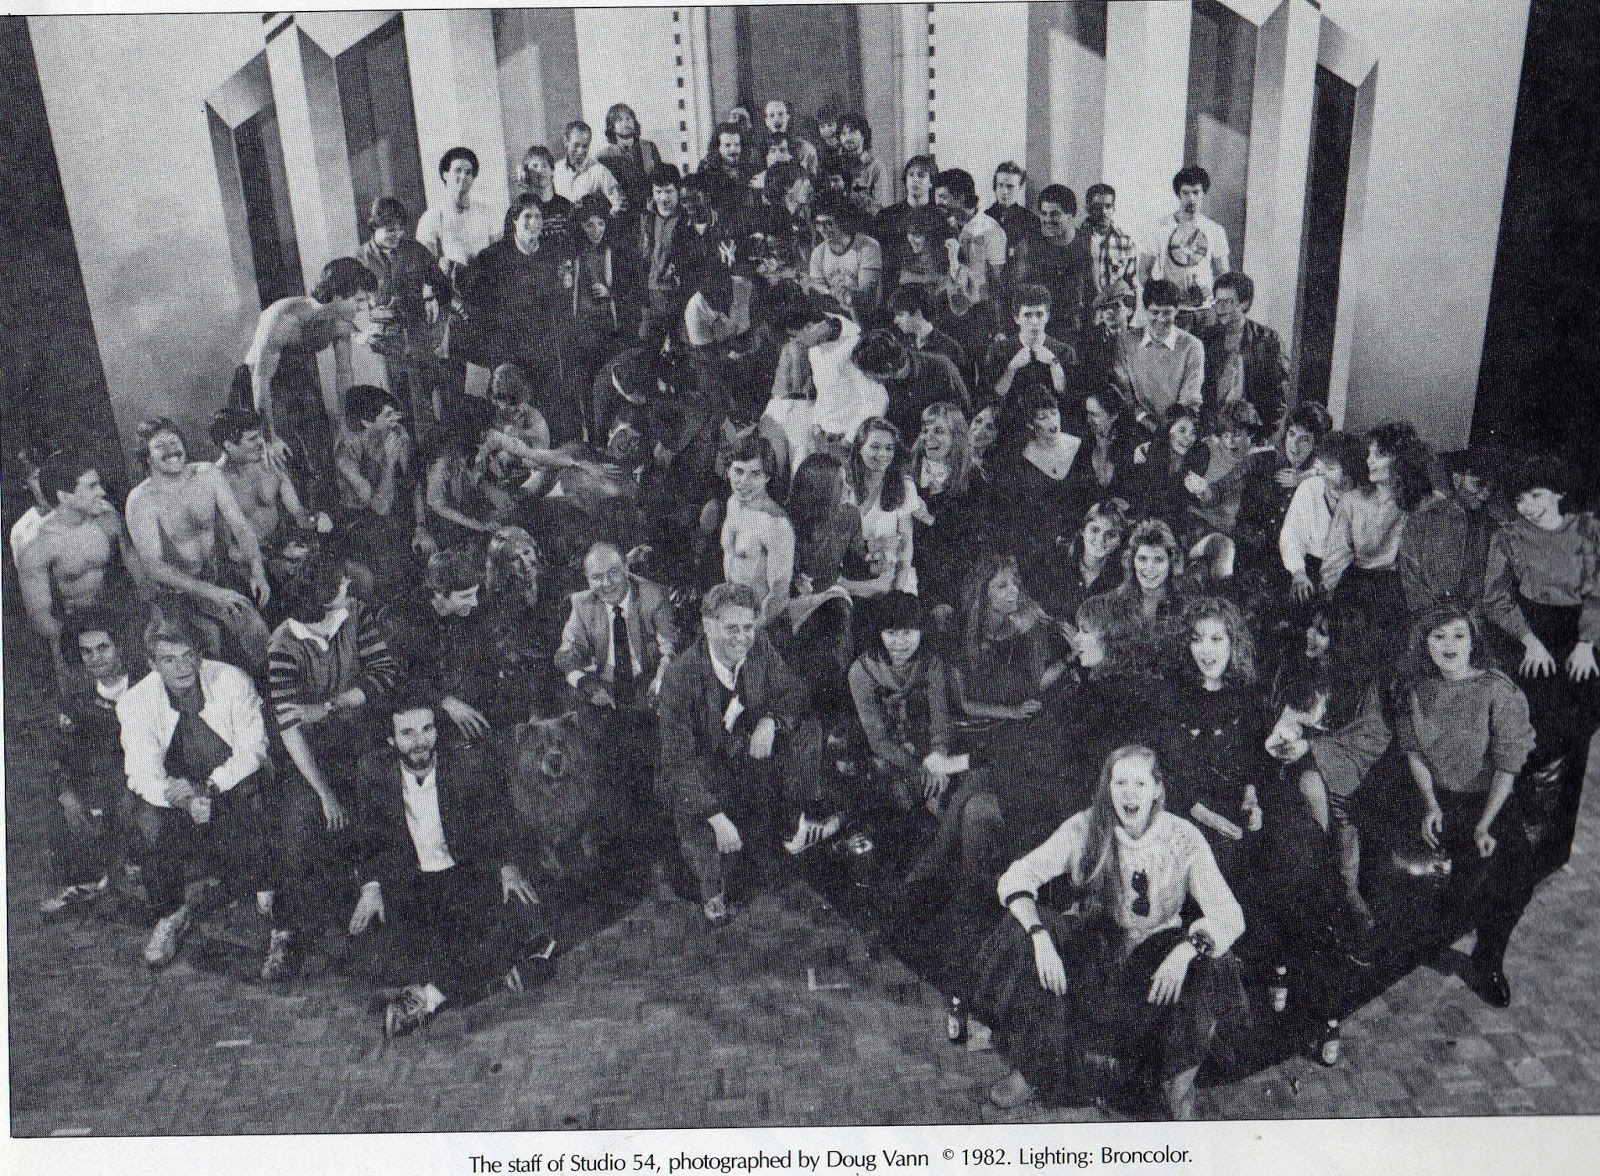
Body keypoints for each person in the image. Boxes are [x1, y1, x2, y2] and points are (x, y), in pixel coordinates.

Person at [972, 744, 1245, 1117]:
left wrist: (1184, 952)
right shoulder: (1086, 827)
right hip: (1096, 948)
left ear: (1157, 789)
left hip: (1154, 956)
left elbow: (1229, 914)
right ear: (1108, 787)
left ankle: (1179, 1087)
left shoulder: (1183, 837)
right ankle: (1032, 1069)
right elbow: (1018, 877)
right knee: (1019, 928)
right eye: (1120, 783)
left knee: (1215, 961)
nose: (1129, 795)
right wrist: (1040, 937)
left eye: (1139, 784)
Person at [349, 686, 551, 1037]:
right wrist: (371, 887)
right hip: (413, 884)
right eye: (407, 733)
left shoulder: (465, 765)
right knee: (365, 948)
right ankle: (491, 970)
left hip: (465, 878)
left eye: (427, 729)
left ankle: (429, 997)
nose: (420, 742)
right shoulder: (373, 771)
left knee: (520, 911)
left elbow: (498, 819)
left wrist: (507, 868)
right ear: (391, 740)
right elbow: (368, 835)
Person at [656, 582, 837, 925]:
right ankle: (712, 887)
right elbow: (678, 765)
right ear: (708, 626)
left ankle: (793, 823)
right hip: (700, 773)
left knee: (807, 729)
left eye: (748, 627)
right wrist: (717, 819)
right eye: (731, 628)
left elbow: (793, 693)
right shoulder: (680, 677)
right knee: (716, 880)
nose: (741, 638)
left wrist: (771, 721)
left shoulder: (759, 646)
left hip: (745, 758)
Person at [117, 606, 279, 972]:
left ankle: (269, 899)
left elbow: (254, 749)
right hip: (184, 803)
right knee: (138, 810)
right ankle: (170, 916)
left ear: (200, 654)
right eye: (168, 659)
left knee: (257, 789)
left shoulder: (232, 680)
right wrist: (181, 797)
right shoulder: (135, 701)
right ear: (152, 663)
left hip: (231, 790)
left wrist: (210, 787)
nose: (181, 667)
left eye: (188, 655)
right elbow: (141, 771)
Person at [1396, 601, 1538, 1006]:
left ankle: (1487, 960)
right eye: (1438, 636)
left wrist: (1484, 824)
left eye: (1459, 635)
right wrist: (1430, 804)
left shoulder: (1499, 690)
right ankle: (1431, 937)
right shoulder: (1414, 689)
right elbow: (1413, 752)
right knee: (1453, 890)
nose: (1449, 645)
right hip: (1439, 799)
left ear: (1473, 640)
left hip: (1491, 801)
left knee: (1515, 881)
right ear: (1424, 643)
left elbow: (1507, 767)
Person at [266, 552, 399, 981]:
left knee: (375, 800)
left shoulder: (357, 615)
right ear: (319, 599)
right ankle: (287, 930)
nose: (348, 588)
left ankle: (376, 909)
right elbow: (290, 728)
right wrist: (324, 793)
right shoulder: (282, 645)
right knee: (299, 821)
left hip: (360, 738)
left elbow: (384, 674)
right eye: (340, 585)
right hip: (308, 757)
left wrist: (329, 706)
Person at [1481, 454, 1600, 856]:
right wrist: (1528, 639)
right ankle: (1522, 826)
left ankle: (1561, 832)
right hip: (1531, 638)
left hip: (1582, 640)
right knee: (1531, 730)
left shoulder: (1587, 530)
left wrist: (1586, 643)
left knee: (1576, 733)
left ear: (1558, 493)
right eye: (1519, 499)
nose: (1527, 506)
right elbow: (1494, 598)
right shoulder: (1508, 536)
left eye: (1535, 495)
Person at [1268, 602, 1389, 940]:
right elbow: (1282, 721)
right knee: (1309, 784)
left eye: (1322, 633)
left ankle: (1342, 887)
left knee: (1323, 792)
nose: (1311, 635)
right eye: (1311, 627)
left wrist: (1312, 746)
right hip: (1293, 764)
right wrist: (1287, 739)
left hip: (1337, 767)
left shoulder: (1362, 684)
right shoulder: (1296, 670)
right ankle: (1334, 884)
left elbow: (1372, 736)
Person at [124, 420, 271, 671]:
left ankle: (268, 683)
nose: (171, 450)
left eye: (174, 442)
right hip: (176, 593)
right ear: (146, 457)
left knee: (255, 630)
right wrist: (212, 593)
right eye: (160, 446)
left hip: (216, 576)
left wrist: (257, 570)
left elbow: (240, 526)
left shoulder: (207, 474)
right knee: (208, 645)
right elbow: (154, 567)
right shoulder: (141, 500)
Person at [40, 607, 144, 916]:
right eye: (86, 651)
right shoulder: (78, 699)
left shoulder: (146, 685)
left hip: (145, 778)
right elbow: (62, 754)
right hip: (104, 782)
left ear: (119, 646)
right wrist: (66, 795)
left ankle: (130, 875)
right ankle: (90, 882)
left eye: (103, 647)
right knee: (67, 810)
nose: (95, 657)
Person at [241, 257, 380, 486]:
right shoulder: (284, 318)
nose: (362, 308)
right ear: (336, 296)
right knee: (285, 456)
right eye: (358, 300)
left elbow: (344, 374)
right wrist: (269, 436)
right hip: (256, 383)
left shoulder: (341, 322)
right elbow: (260, 379)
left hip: (295, 378)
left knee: (322, 451)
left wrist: (345, 425)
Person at [556, 541, 683, 792]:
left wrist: (661, 678)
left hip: (647, 685)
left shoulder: (652, 595)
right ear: (587, 578)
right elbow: (565, 656)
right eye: (596, 577)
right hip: (605, 691)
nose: (606, 584)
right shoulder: (582, 604)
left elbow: (670, 649)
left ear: (626, 567)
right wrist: (587, 684)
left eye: (613, 573)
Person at [15, 450, 143, 673]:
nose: (102, 492)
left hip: (118, 621)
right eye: (92, 486)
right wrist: (81, 647)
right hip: (71, 635)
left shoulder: (107, 519)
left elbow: (135, 564)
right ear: (64, 496)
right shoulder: (38, 548)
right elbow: (39, 616)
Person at [1321, 421, 1435, 640]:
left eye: (1379, 454)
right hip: (1356, 594)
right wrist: (1329, 603)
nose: (1369, 460)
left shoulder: (1422, 504)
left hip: (1402, 596)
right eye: (1369, 453)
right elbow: (1334, 561)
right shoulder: (1352, 501)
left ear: (1400, 459)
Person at [990, 385, 1089, 612]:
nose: (1053, 421)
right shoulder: (1019, 458)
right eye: (1043, 417)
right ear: (1030, 424)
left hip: (1078, 545)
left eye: (1054, 413)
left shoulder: (1078, 446)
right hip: (1037, 552)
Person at [210, 406, 331, 590]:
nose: (261, 442)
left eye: (260, 435)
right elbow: (230, 551)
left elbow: (300, 515)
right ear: (228, 445)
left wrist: (317, 518)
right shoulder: (215, 482)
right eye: (252, 438)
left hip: (282, 546)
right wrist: (277, 556)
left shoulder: (270, 465)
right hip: (248, 564)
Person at [332, 385, 434, 593]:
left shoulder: (397, 432)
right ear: (367, 422)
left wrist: (421, 526)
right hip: (361, 522)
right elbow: (379, 508)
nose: (396, 419)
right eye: (388, 415)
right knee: (394, 570)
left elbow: (412, 482)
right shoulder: (346, 451)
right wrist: (389, 464)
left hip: (394, 510)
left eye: (395, 412)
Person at [356, 196, 445, 430]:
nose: (397, 235)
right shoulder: (361, 259)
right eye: (390, 230)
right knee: (395, 406)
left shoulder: (415, 251)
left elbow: (443, 288)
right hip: (385, 345)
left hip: (418, 338)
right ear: (375, 227)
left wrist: (437, 328)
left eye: (400, 229)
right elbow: (351, 306)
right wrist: (362, 334)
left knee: (426, 404)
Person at [955, 554, 1067, 727]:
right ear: (983, 593)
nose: (1014, 590)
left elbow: (1038, 684)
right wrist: (1012, 712)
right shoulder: (961, 632)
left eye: (1015, 583)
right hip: (978, 727)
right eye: (1002, 586)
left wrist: (1071, 656)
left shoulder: (1027, 625)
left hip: (1024, 724)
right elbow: (965, 704)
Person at [1397, 445, 1504, 616]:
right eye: (1478, 484)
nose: (1485, 495)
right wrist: (1434, 616)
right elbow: (1410, 577)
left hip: (1473, 618)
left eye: (1491, 488)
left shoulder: (1493, 529)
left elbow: (1494, 589)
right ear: (1456, 479)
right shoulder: (1422, 520)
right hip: (1428, 616)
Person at [908, 402, 988, 609]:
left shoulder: (974, 480)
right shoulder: (907, 472)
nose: (928, 438)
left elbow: (969, 545)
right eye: (925, 431)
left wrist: (930, 520)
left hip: (950, 581)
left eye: (938, 431)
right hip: (908, 573)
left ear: (956, 437)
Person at [1198, 272, 1292, 434]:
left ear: (1244, 303)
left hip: (1250, 431)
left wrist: (1263, 434)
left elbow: (1278, 397)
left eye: (1227, 302)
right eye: (1217, 301)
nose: (1220, 308)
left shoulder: (1268, 340)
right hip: (1211, 430)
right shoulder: (1205, 338)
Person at [1280, 430, 1366, 604]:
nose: (1322, 473)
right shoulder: (1310, 487)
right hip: (1310, 569)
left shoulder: (1361, 498)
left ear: (1349, 472)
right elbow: (1291, 534)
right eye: (1322, 466)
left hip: (1350, 574)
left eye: (1331, 468)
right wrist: (1299, 573)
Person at [720, 431, 795, 627]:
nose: (744, 481)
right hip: (733, 610)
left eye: (755, 474)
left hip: (761, 623)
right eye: (738, 471)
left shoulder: (776, 523)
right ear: (728, 470)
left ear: (767, 477)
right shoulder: (733, 503)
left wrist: (750, 630)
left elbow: (779, 594)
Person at [1143, 165, 1230, 329]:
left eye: (1196, 192)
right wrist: (1162, 298)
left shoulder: (1215, 230)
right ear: (1178, 194)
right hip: (1173, 312)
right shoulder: (1160, 228)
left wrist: (1211, 291)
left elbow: (1223, 274)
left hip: (1206, 311)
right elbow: (1143, 272)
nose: (1191, 199)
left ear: (1203, 193)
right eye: (1186, 193)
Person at [851, 328, 970, 443]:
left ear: (888, 367)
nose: (869, 378)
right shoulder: (885, 384)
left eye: (870, 373)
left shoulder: (941, 369)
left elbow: (962, 419)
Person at [849, 418, 921, 595]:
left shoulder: (904, 486)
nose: (883, 454)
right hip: (849, 579)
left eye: (889, 448)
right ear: (859, 448)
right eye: (875, 447)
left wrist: (896, 592)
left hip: (890, 581)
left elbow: (905, 549)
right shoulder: (844, 484)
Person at [1123, 279, 1204, 434]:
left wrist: (1169, 430)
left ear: (1177, 310)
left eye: (1167, 312)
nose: (1161, 319)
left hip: (1178, 427)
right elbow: (1125, 392)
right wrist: (1147, 422)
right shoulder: (1127, 342)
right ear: (1145, 310)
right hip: (1138, 426)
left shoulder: (1192, 345)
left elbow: (1190, 396)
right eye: (1155, 312)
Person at [416, 146, 501, 287]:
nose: (463, 177)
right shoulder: (431, 217)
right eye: (458, 170)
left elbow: (499, 255)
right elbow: (428, 267)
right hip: (450, 290)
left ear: (473, 177)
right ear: (445, 174)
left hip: (486, 287)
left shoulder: (487, 213)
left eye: (468, 172)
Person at [1062, 183, 1139, 328]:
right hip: (1081, 318)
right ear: (1088, 209)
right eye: (1097, 207)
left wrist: (1127, 316)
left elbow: (1131, 285)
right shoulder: (1073, 240)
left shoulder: (1125, 242)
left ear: (1113, 208)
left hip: (1114, 318)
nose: (1103, 212)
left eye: (1108, 206)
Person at [982, 284, 1074, 402]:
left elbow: (1070, 401)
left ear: (1047, 317)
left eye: (1039, 314)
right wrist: (1011, 368)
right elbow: (990, 399)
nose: (1034, 321)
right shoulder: (998, 350)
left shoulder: (1065, 351)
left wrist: (1054, 363)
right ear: (1016, 318)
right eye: (1027, 315)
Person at [1012, 183, 1078, 330]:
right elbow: (1019, 291)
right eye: (1043, 213)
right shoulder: (1028, 245)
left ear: (1070, 215)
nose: (1048, 219)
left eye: (1054, 214)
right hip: (1040, 325)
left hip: (1076, 325)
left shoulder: (1085, 242)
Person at [807, 193, 883, 318]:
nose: (822, 229)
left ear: (841, 221)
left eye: (828, 223)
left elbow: (867, 298)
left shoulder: (867, 246)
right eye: (818, 224)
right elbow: (818, 297)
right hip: (835, 318)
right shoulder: (818, 253)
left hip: (867, 318)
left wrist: (845, 295)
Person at [875, 154, 938, 284]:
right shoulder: (887, 216)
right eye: (911, 175)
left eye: (921, 175)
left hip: (929, 284)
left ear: (931, 182)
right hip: (893, 284)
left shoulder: (939, 216)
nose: (915, 179)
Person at [887, 283, 967, 376]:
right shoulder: (903, 345)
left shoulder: (951, 348)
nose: (895, 321)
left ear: (918, 313)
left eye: (900, 314)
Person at [596, 102, 662, 212]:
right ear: (612, 126)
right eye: (619, 120)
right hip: (621, 214)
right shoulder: (603, 156)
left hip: (649, 210)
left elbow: (660, 178)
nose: (625, 123)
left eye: (628, 119)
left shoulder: (649, 147)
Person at [513, 145, 577, 255]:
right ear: (527, 173)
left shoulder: (568, 207)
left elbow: (576, 245)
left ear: (552, 171)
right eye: (535, 166)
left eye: (544, 165)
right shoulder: (520, 210)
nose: (540, 170)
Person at [554, 119, 624, 214]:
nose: (580, 151)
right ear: (566, 141)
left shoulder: (600, 171)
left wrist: (606, 217)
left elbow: (620, 204)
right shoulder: (556, 170)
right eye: (576, 145)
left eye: (585, 146)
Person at [987, 162, 1041, 276]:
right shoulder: (984, 218)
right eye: (1000, 185)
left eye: (1010, 186)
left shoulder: (1031, 221)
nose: (1004, 192)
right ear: (995, 186)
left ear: (1020, 187)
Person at [837, 112, 888, 215]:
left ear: (863, 133)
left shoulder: (875, 167)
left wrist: (849, 193)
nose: (847, 138)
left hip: (865, 222)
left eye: (852, 132)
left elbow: (879, 209)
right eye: (843, 134)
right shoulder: (835, 164)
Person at [760, 98, 818, 175]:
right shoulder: (760, 150)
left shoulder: (805, 148)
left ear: (788, 117)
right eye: (772, 115)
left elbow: (812, 177)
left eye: (781, 114)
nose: (776, 119)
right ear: (766, 121)